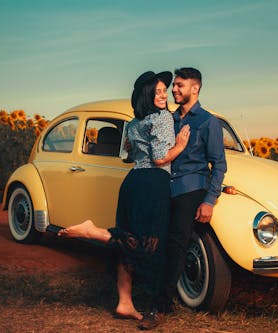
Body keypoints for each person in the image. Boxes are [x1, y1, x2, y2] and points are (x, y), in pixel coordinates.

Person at [57, 70, 190, 330]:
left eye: (165, 90)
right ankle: (93, 232)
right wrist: (181, 145)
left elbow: (126, 156)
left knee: (128, 238)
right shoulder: (162, 118)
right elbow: (161, 157)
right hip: (154, 182)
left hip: (132, 182)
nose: (164, 95)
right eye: (159, 91)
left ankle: (124, 302)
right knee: (149, 244)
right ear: (148, 95)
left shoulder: (132, 123)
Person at [155, 67, 227, 313]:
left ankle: (163, 304)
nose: (174, 89)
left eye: (179, 86)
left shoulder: (208, 122)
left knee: (177, 243)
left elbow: (219, 164)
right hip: (167, 187)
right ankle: (156, 289)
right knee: (160, 241)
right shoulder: (169, 119)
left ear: (195, 89)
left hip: (191, 189)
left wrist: (209, 201)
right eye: (174, 86)